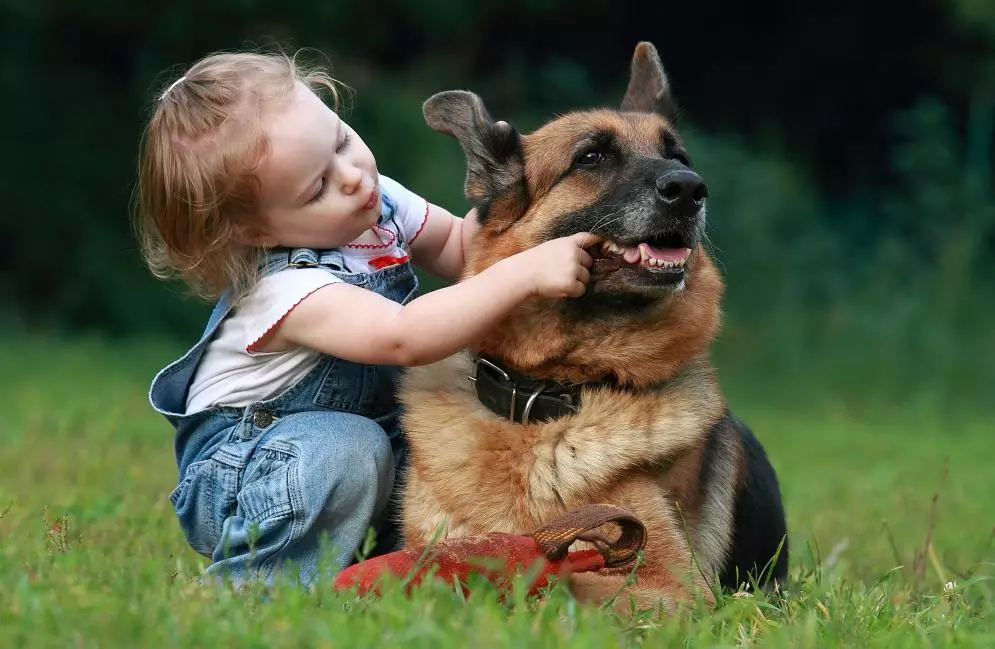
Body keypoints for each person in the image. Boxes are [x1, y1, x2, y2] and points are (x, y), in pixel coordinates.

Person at [135, 49, 599, 586]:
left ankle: (401, 573)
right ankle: (256, 593)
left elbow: (458, 245)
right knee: (347, 449)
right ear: (257, 231)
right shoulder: (284, 290)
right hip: (253, 471)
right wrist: (522, 275)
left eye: (340, 142)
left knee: (447, 444)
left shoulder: (372, 203)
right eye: (316, 189)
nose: (352, 177)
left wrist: (532, 214)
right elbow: (404, 338)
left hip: (367, 445)